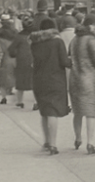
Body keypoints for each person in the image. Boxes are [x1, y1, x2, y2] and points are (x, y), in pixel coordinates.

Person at [69, 15, 95, 154]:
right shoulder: (91, 40)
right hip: (89, 79)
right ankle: (90, 143)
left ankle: (78, 138)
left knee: (78, 111)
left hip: (75, 78)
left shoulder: (74, 40)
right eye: (93, 25)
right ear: (88, 25)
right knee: (90, 112)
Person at [30, 17, 71, 154]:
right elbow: (64, 61)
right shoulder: (57, 42)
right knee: (53, 112)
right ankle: (53, 144)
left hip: (39, 81)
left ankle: (46, 141)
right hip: (55, 80)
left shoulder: (34, 43)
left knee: (44, 112)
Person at [8, 17, 35, 109]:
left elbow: (11, 49)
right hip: (34, 60)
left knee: (20, 82)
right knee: (34, 82)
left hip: (21, 60)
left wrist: (15, 55)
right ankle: (36, 102)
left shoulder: (19, 37)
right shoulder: (37, 36)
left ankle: (20, 101)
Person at [0, 15, 17, 105]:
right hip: (13, 57)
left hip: (2, 57)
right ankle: (11, 89)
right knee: (12, 74)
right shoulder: (15, 32)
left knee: (2, 77)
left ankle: (3, 97)